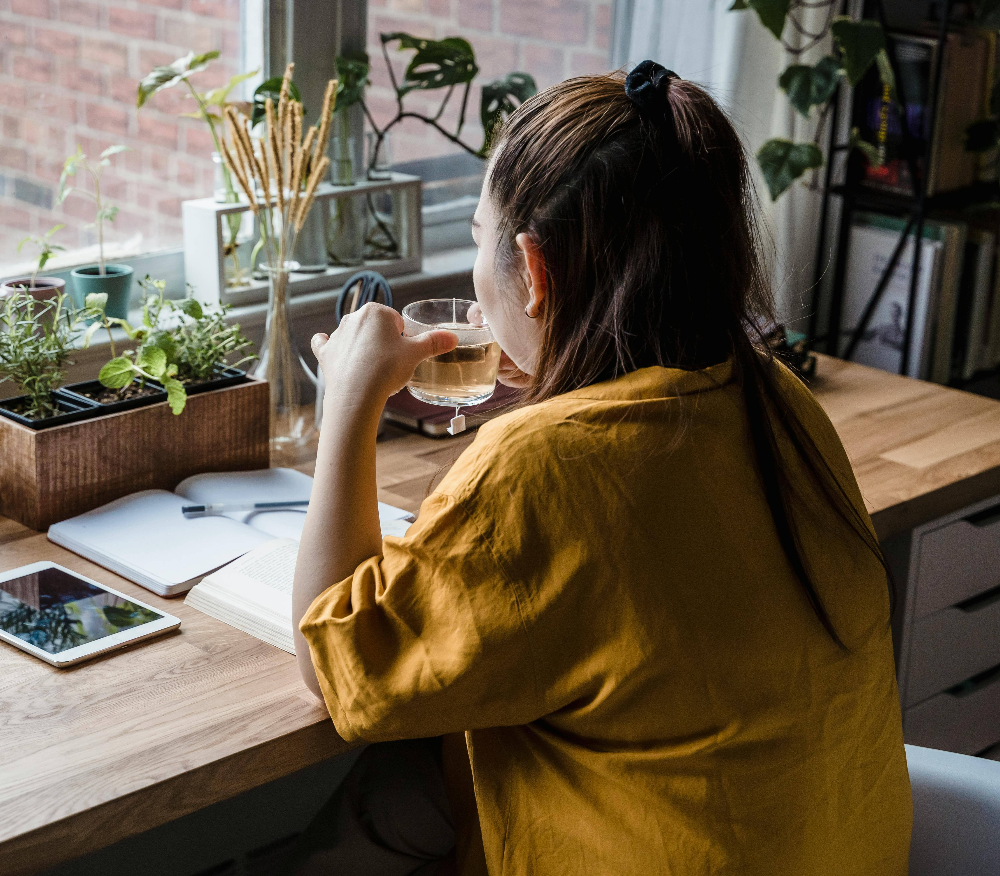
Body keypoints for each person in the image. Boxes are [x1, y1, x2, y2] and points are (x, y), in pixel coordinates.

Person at [288, 61, 912, 875]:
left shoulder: (539, 468)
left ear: (536, 272)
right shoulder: (776, 397)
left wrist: (347, 403)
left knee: (357, 809)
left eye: (479, 241)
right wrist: (557, 371)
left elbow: (338, 674)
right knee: (406, 789)